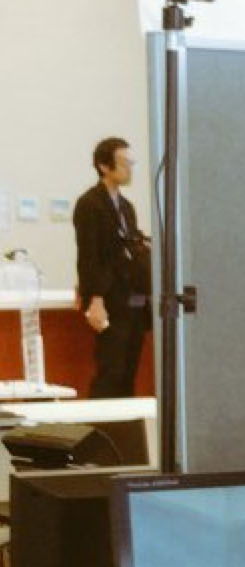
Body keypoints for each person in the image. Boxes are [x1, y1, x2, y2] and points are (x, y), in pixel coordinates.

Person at [72, 137, 151, 398]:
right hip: (110, 299)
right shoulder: (90, 204)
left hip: (132, 297)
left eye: (131, 163)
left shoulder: (127, 208)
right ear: (104, 166)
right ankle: (103, 421)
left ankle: (126, 423)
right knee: (111, 369)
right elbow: (89, 254)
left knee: (129, 369)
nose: (129, 169)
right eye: (124, 163)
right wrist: (94, 298)